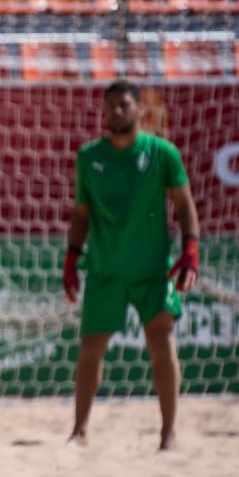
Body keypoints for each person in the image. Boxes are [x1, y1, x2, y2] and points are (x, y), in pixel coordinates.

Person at [62, 79, 200, 451]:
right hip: (105, 268)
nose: (116, 111)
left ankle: (168, 434)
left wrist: (191, 250)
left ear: (140, 108)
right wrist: (71, 258)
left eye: (123, 104)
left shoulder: (163, 153)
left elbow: (184, 204)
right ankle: (79, 431)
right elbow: (81, 213)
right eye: (109, 106)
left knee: (161, 341)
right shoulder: (89, 157)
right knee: (91, 347)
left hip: (152, 269)